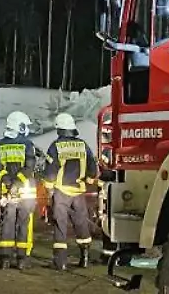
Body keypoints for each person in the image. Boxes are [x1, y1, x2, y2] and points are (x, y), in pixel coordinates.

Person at [42, 113, 99, 271]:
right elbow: (92, 168)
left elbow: (51, 171)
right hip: (78, 193)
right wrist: (88, 181)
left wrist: (49, 188)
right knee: (81, 224)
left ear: (59, 129)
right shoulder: (83, 145)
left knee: (60, 226)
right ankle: (84, 258)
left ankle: (60, 262)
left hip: (61, 193)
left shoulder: (56, 146)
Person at [0, 111, 37, 270]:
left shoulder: (0, 145)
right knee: (24, 225)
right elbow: (29, 167)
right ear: (20, 127)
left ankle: (5, 259)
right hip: (26, 193)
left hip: (8, 193)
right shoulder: (28, 145)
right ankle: (22, 259)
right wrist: (18, 182)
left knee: (7, 224)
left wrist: (7, 181)